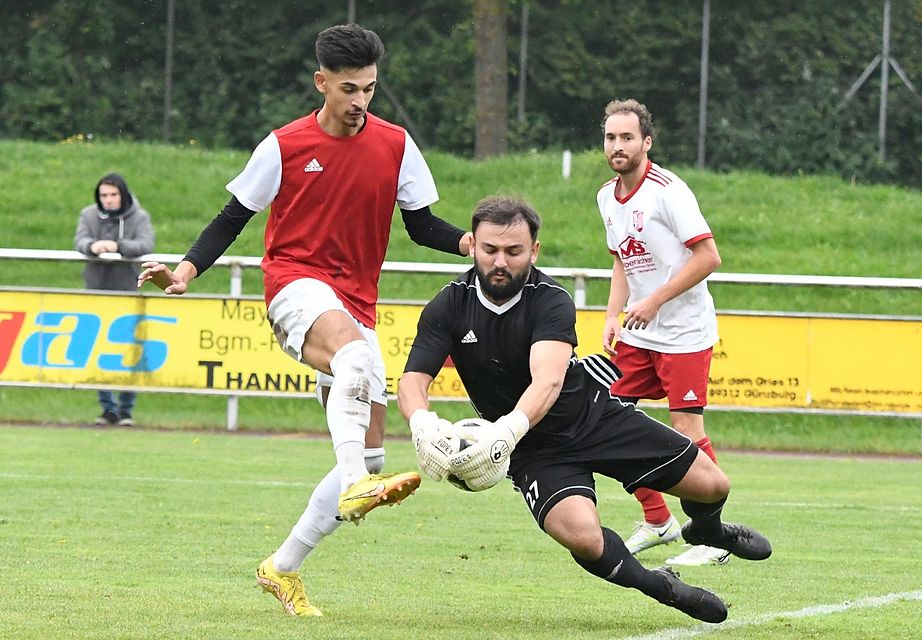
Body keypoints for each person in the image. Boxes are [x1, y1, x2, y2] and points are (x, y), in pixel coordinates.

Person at [138, 24, 470, 616]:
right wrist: (188, 270)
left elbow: (421, 227)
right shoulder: (284, 146)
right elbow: (230, 217)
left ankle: (282, 567)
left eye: (370, 88)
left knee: (370, 452)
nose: (361, 101)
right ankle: (352, 485)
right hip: (294, 284)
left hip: (356, 301)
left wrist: (471, 241)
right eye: (349, 89)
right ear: (322, 83)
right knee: (354, 360)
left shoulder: (396, 145)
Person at [397, 196, 771, 624]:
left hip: (593, 418)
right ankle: (661, 586)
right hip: (535, 452)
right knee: (582, 537)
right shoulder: (448, 305)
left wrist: (505, 431)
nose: (501, 261)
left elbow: (549, 380)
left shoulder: (550, 299)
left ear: (534, 251)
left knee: (713, 485)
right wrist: (422, 425)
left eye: (514, 251)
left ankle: (709, 530)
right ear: (473, 246)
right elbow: (412, 381)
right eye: (490, 250)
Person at [596, 99, 727, 566]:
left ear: (646, 142)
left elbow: (708, 257)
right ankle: (658, 519)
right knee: (602, 419)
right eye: (611, 137)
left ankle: (712, 539)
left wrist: (654, 300)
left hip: (685, 334)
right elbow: (621, 260)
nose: (618, 145)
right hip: (638, 333)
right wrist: (614, 315)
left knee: (686, 430)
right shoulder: (606, 195)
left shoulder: (669, 190)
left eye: (627, 137)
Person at [74, 172, 156, 427]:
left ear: (123, 195)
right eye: (103, 195)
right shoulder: (88, 215)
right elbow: (79, 240)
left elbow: (146, 244)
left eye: (113, 195)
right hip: (97, 291)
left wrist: (117, 246)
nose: (108, 200)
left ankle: (126, 409)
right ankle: (107, 408)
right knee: (99, 350)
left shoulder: (139, 217)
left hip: (127, 291)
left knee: (129, 351)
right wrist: (92, 246)